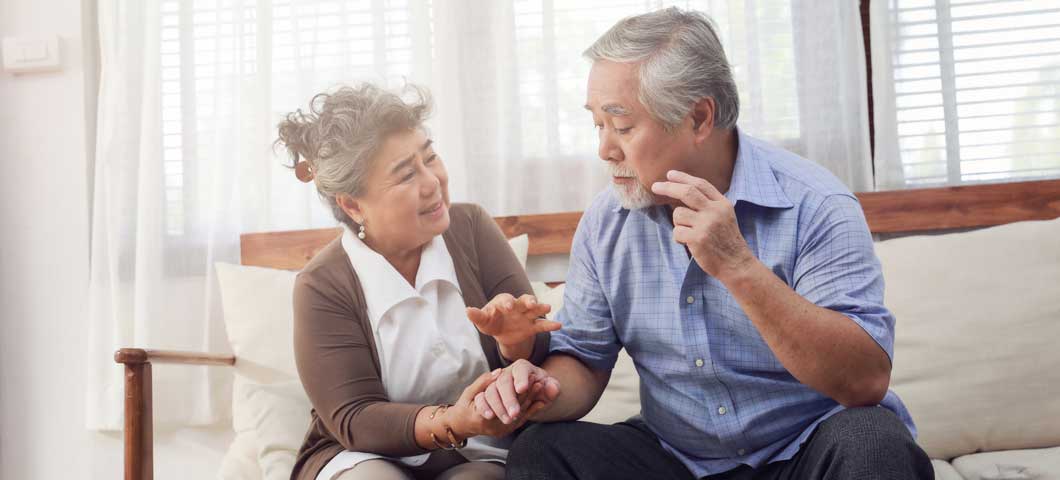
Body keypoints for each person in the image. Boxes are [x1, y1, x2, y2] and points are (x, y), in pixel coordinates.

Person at [476, 8, 934, 480]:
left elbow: (864, 382)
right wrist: (541, 387)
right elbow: (585, 363)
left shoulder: (817, 204)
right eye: (598, 125)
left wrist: (739, 267)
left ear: (698, 117)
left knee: (875, 442)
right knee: (542, 450)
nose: (605, 150)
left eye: (623, 126)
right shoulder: (606, 222)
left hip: (804, 452)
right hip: (675, 461)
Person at [276, 83, 560, 480]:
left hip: (482, 450)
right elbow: (354, 417)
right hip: (362, 454)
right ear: (353, 204)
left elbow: (539, 347)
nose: (432, 182)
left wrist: (515, 341)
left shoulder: (472, 228)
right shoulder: (322, 284)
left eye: (430, 158)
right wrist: (455, 421)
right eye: (407, 174)